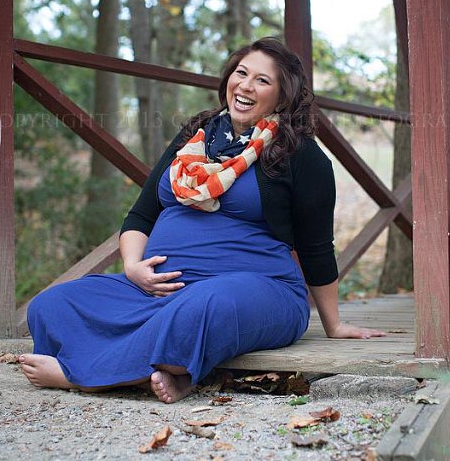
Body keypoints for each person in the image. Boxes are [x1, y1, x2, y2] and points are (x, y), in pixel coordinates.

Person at [19, 37, 386, 403]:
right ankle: (171, 370)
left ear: (283, 97)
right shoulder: (192, 139)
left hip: (257, 290)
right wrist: (132, 268)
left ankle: (82, 376)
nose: (245, 85)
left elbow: (316, 247)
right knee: (52, 305)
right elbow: (141, 215)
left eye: (262, 80)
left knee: (205, 306)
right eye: (241, 73)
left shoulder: (300, 155)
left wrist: (333, 325)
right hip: (159, 292)